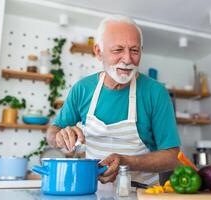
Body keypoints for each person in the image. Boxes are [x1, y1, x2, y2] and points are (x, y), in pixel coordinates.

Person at [46, 14, 181, 186]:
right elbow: (53, 131)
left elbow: (172, 157)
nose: (127, 59)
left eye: (134, 50)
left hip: (141, 193)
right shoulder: (82, 89)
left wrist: (126, 162)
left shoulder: (156, 93)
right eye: (118, 50)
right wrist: (59, 136)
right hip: (92, 190)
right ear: (98, 52)